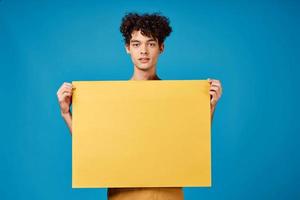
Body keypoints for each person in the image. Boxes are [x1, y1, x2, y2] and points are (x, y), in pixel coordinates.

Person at [56, 12, 222, 200]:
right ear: (128, 48)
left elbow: (192, 142)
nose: (143, 51)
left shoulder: (178, 97)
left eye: (150, 44)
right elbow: (92, 146)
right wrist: (65, 113)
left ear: (161, 47)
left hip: (167, 194)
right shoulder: (111, 99)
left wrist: (210, 106)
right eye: (136, 44)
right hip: (123, 194)